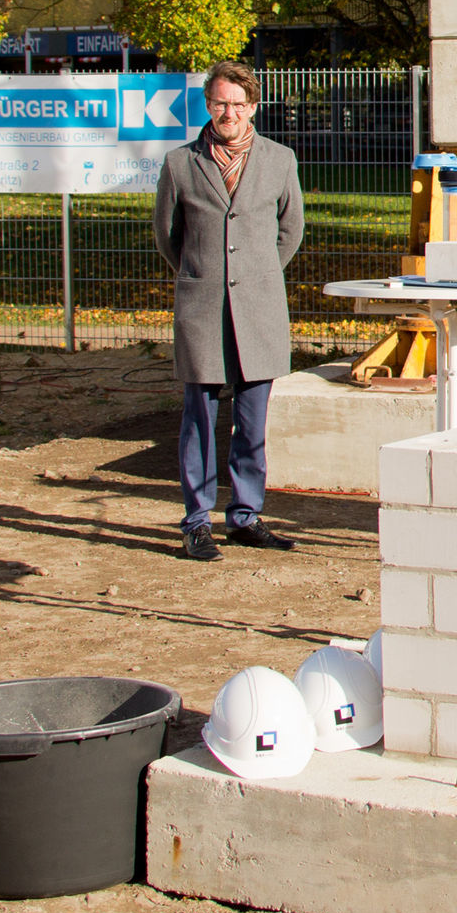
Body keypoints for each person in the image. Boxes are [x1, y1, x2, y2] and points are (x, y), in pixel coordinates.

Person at [153, 60, 304, 562]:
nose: (229, 113)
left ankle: (245, 515)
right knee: (198, 418)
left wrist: (255, 276)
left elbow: (291, 232)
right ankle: (196, 521)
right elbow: (168, 236)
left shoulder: (280, 160)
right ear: (208, 105)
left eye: (238, 104)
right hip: (203, 307)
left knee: (252, 420)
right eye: (220, 103)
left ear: (253, 107)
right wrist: (205, 274)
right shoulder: (179, 163)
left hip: (258, 308)